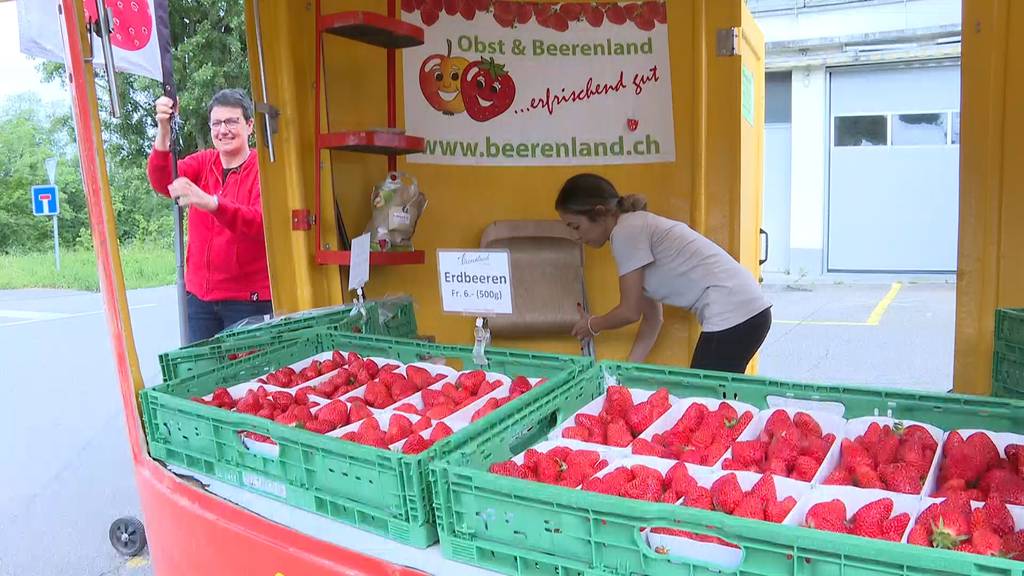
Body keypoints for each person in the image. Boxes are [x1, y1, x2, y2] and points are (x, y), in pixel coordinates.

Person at [556, 173, 772, 373]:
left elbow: (629, 312)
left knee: (704, 401)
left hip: (735, 313)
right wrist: (626, 372)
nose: (576, 236)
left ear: (600, 212)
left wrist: (592, 325)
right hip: (747, 313)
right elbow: (653, 319)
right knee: (712, 401)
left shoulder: (626, 232)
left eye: (575, 226)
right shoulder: (633, 229)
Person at [147, 89, 272, 344]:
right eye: (216, 123)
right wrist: (163, 129)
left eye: (231, 121)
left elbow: (260, 223)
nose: (223, 130)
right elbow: (163, 181)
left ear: (249, 126)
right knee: (201, 377)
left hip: (248, 301)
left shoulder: (265, 169)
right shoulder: (204, 162)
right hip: (199, 300)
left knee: (245, 379)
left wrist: (212, 203)